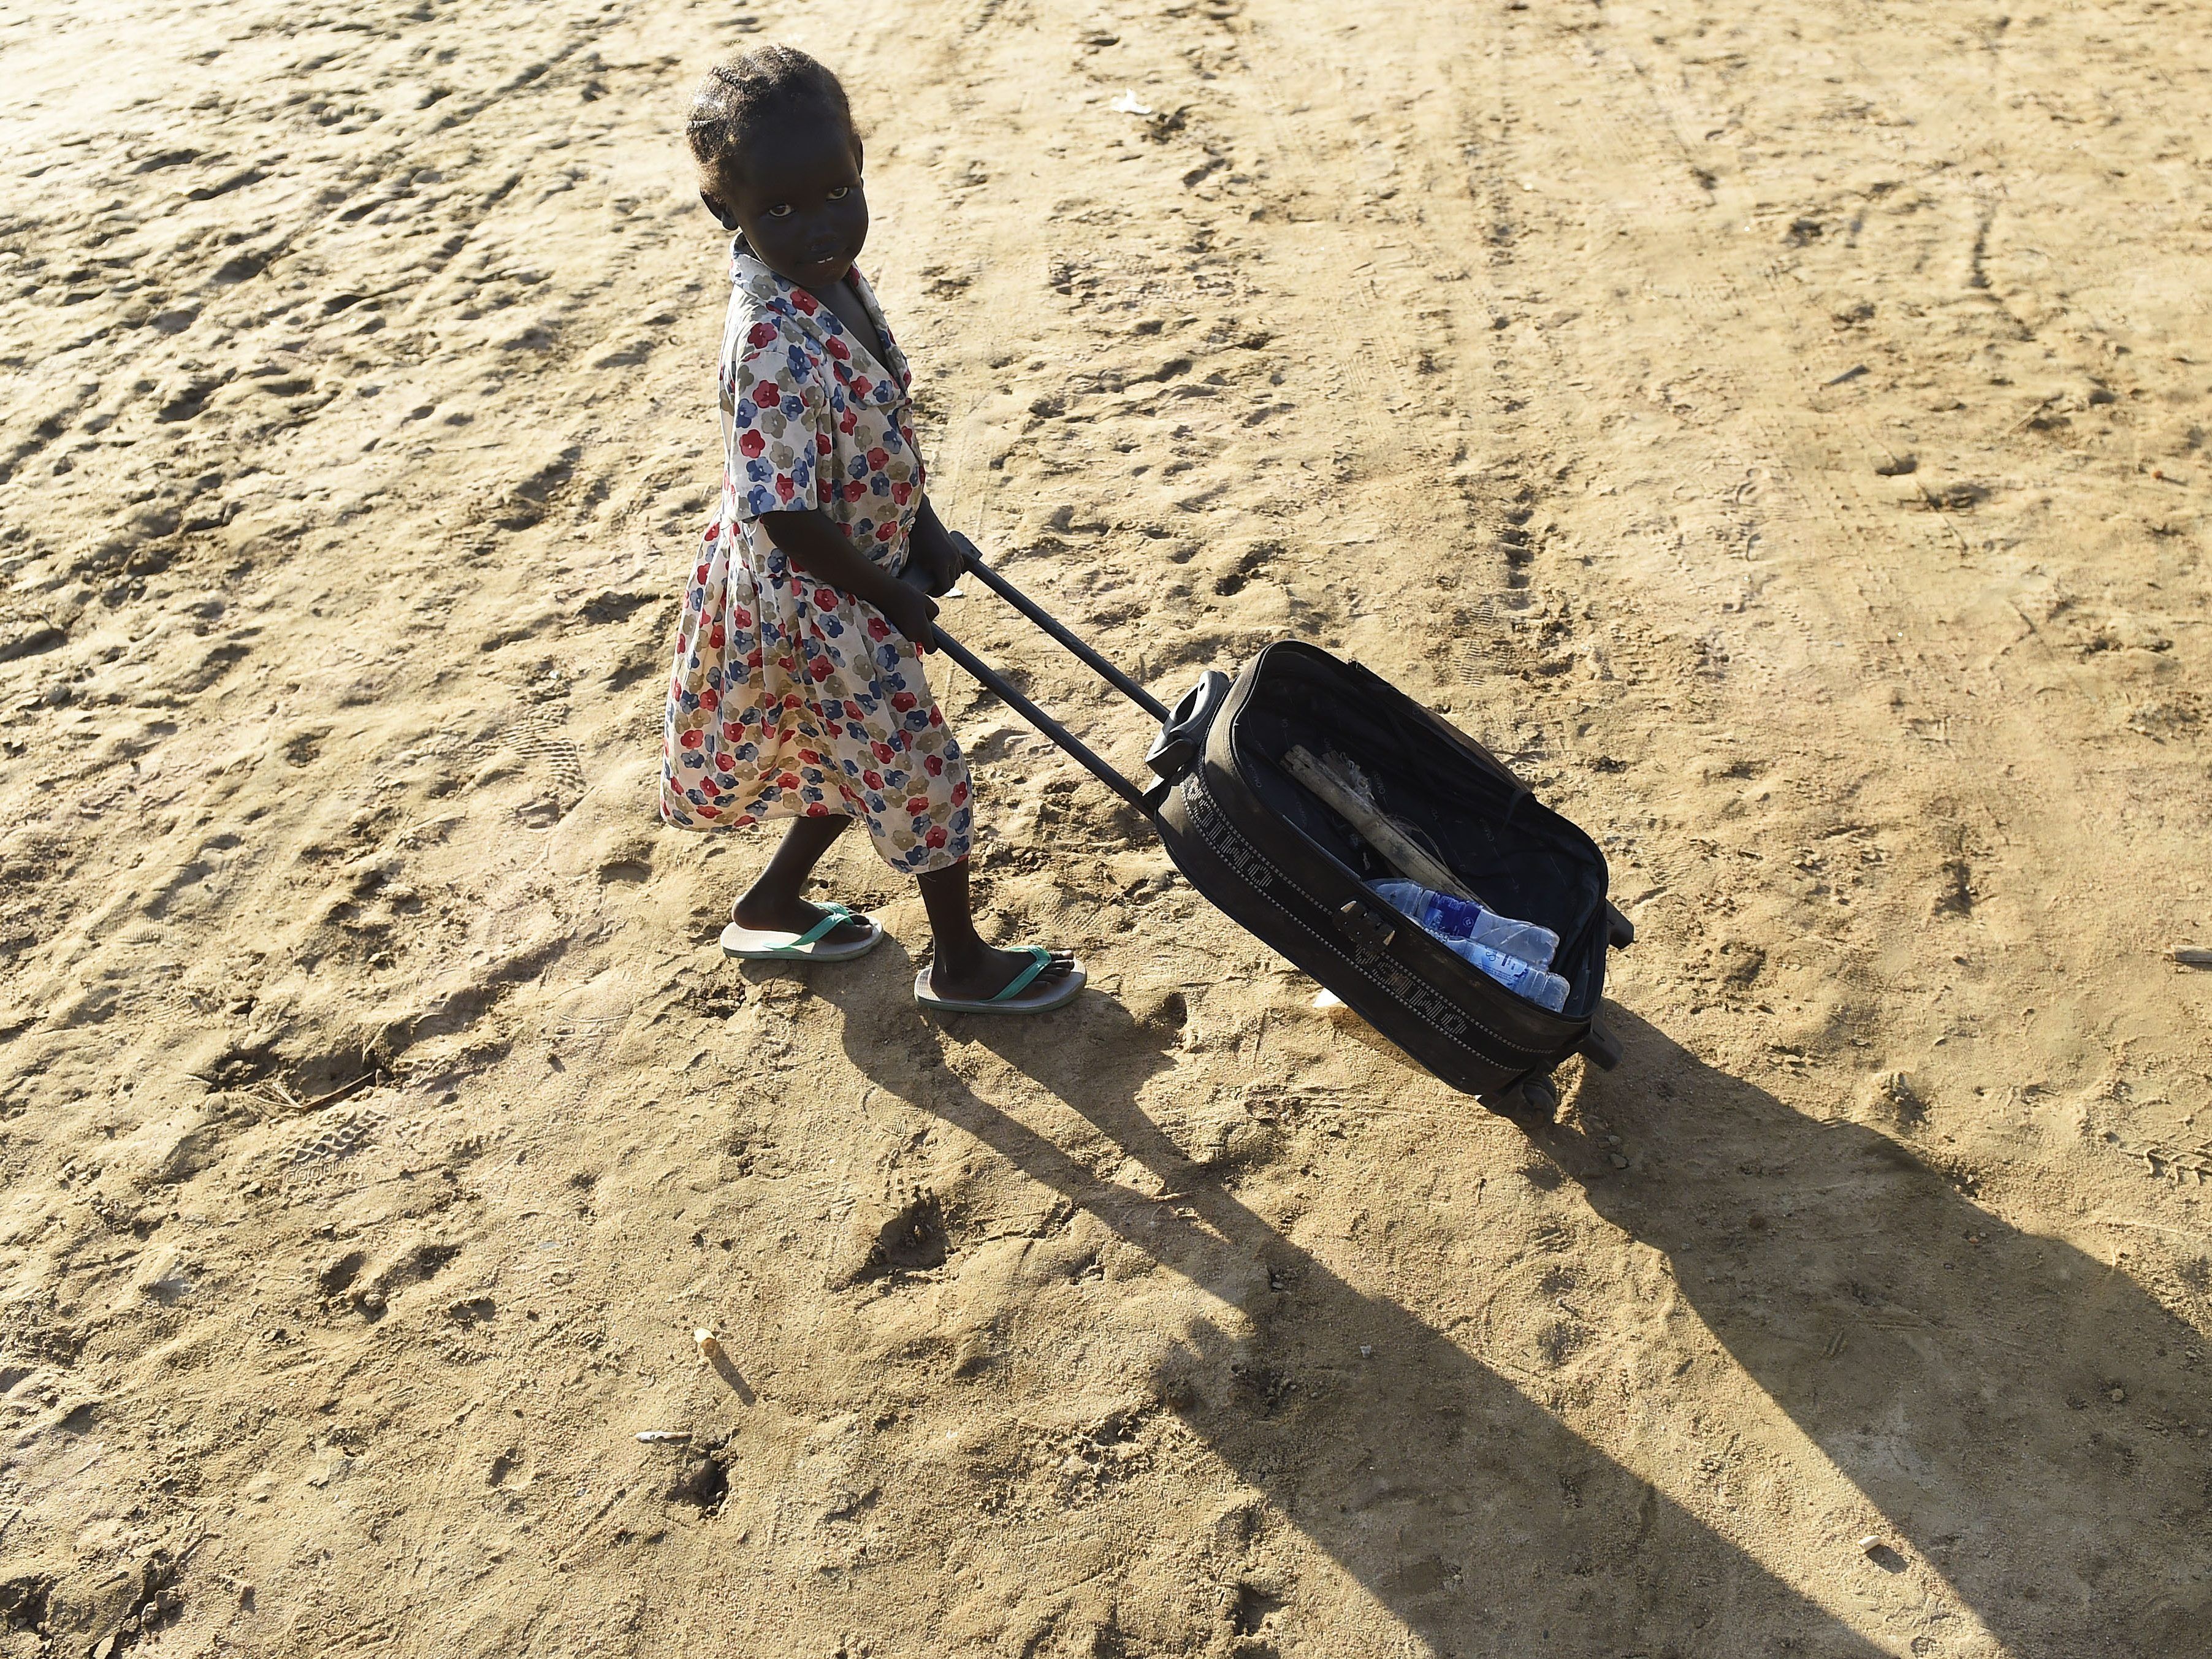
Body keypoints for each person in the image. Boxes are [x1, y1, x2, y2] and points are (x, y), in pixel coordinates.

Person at [661, 45, 1082, 1015]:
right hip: (817, 595)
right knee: (914, 761)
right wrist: (890, 591)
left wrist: (924, 532)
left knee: (839, 748)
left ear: (858, 163)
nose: (817, 227)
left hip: (860, 569)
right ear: (728, 212)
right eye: (780, 211)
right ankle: (960, 962)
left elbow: (870, 429)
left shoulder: (832, 278)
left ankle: (770, 903)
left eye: (837, 192)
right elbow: (787, 509)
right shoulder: (767, 337)